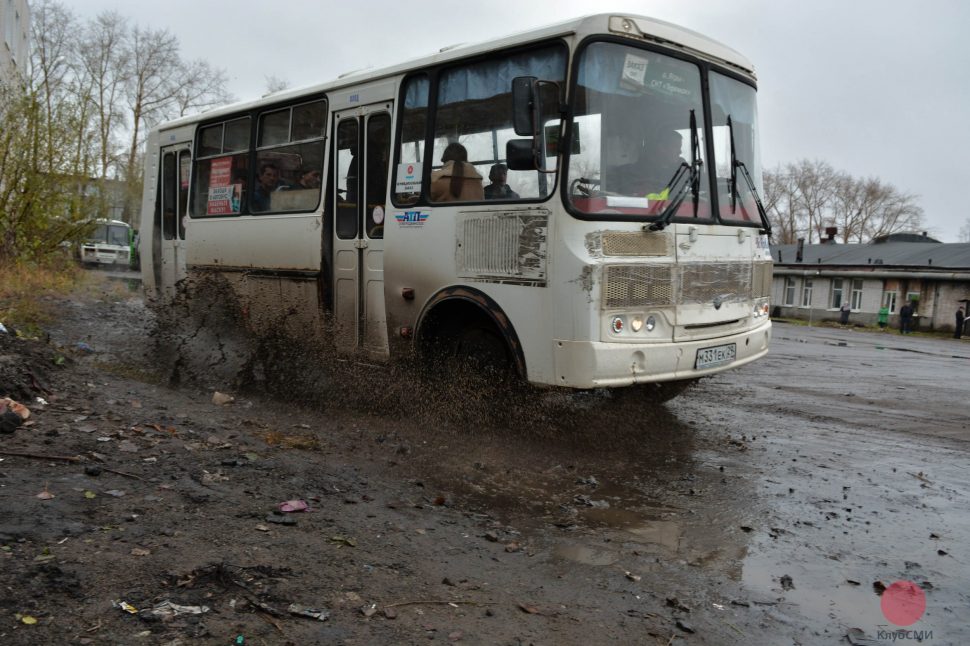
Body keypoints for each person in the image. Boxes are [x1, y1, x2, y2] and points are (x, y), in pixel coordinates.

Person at [613, 129, 686, 198]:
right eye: (676, 147)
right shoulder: (635, 172)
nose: (680, 152)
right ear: (662, 148)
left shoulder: (681, 169)